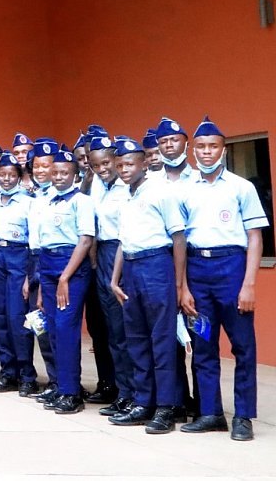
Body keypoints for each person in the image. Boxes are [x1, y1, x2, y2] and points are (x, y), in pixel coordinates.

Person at [175, 116, 266, 441]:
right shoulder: (185, 191)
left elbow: (255, 237)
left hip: (232, 269)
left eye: (213, 146)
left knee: (243, 346)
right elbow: (181, 241)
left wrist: (249, 284)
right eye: (201, 146)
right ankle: (211, 412)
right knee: (203, 346)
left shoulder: (242, 187)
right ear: (193, 151)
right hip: (198, 271)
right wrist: (183, 285)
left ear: (223, 150)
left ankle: (243, 415)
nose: (207, 152)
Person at [106, 136, 184, 433]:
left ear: (143, 163)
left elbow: (178, 238)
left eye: (129, 163)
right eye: (120, 164)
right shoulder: (126, 196)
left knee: (161, 340)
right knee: (135, 339)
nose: (124, 169)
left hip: (156, 266)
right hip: (131, 269)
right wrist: (114, 279)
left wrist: (178, 284)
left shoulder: (160, 191)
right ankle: (143, 401)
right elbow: (122, 242)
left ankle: (166, 407)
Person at [30, 148, 95, 414]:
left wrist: (65, 277)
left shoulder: (81, 201)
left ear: (75, 175)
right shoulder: (45, 201)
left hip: (71, 267)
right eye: (55, 172)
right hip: (47, 265)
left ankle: (71, 393)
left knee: (67, 328)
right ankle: (60, 385)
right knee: (53, 329)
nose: (58, 177)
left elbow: (86, 239)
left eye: (64, 172)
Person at [85, 132, 132, 413]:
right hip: (102, 254)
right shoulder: (97, 187)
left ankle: (137, 394)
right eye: (96, 166)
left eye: (106, 163)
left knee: (128, 331)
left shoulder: (128, 188)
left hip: (122, 253)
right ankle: (122, 392)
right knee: (113, 331)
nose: (103, 169)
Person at [0, 157, 35, 395]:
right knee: (0, 317)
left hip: (18, 256)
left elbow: (34, 242)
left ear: (19, 176)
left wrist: (28, 276)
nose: (6, 179)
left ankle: (27, 374)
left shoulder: (28, 203)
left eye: (11, 175)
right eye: (2, 174)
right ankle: (8, 372)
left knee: (17, 318)